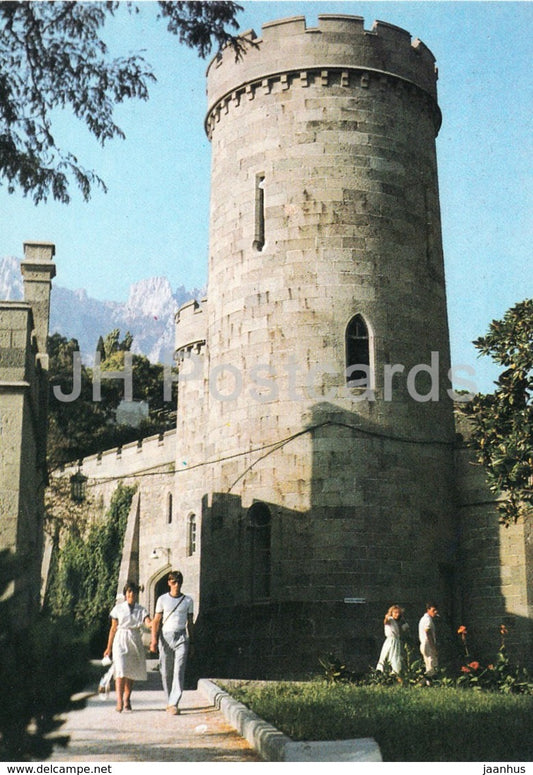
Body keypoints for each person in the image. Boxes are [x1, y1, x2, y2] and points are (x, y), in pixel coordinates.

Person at [150, 570, 195, 715]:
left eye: (179, 582)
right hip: (166, 637)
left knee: (179, 670)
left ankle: (174, 703)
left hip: (182, 637)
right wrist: (153, 641)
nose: (177, 585)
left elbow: (190, 623)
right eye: (174, 582)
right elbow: (156, 621)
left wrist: (192, 642)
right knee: (166, 671)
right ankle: (169, 700)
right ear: (169, 583)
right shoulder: (162, 599)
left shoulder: (188, 601)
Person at [103, 581, 151, 712]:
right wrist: (108, 647)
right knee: (120, 669)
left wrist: (155, 622)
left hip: (134, 639)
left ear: (136, 594)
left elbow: (148, 623)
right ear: (125, 594)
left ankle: (127, 699)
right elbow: (113, 629)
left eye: (134, 592)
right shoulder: (118, 609)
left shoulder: (141, 609)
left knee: (130, 671)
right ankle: (119, 701)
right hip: (120, 639)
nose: (131, 594)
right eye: (129, 592)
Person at [376, 604, 409, 675]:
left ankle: (395, 672)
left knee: (395, 657)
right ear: (391, 613)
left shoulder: (397, 622)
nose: (397, 614)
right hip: (391, 640)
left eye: (398, 613)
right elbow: (386, 622)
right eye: (395, 612)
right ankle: (382, 672)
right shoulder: (390, 619)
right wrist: (387, 618)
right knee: (386, 656)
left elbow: (405, 628)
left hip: (396, 640)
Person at [418, 602, 439, 685]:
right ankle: (421, 681)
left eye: (436, 610)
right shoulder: (427, 619)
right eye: (433, 610)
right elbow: (428, 632)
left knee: (429, 665)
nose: (436, 612)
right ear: (428, 610)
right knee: (432, 664)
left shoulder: (424, 619)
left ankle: (428, 683)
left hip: (424, 643)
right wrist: (433, 647)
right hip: (427, 644)